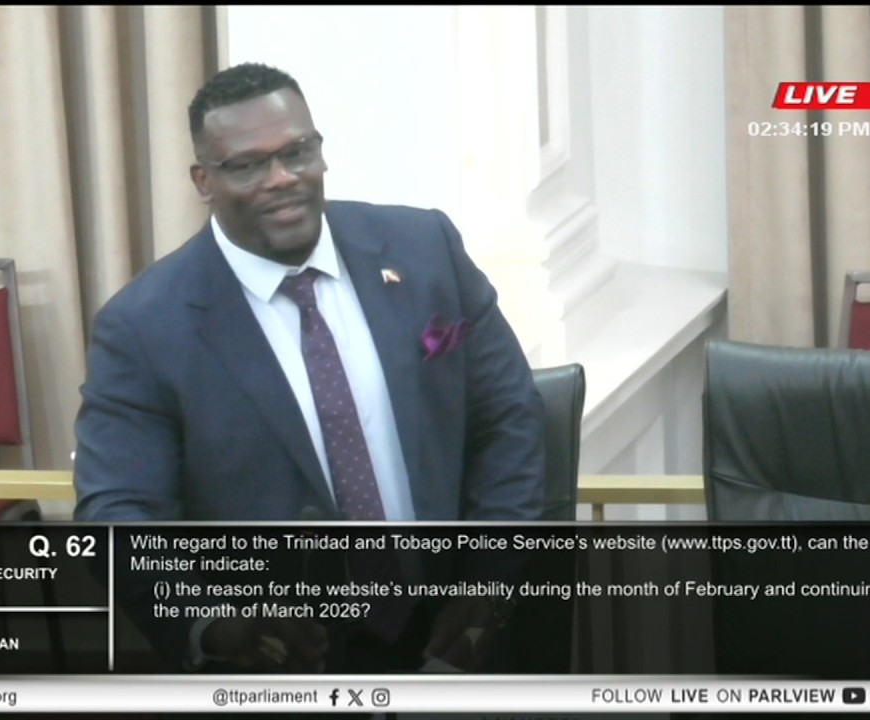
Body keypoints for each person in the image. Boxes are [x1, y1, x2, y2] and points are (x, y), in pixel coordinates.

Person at [73, 62, 546, 675]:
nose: (282, 179)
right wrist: (214, 620)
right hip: (281, 660)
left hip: (452, 630)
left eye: (297, 152)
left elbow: (508, 420)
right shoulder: (144, 327)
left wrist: (489, 586)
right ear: (204, 180)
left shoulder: (425, 249)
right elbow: (118, 514)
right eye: (248, 165)